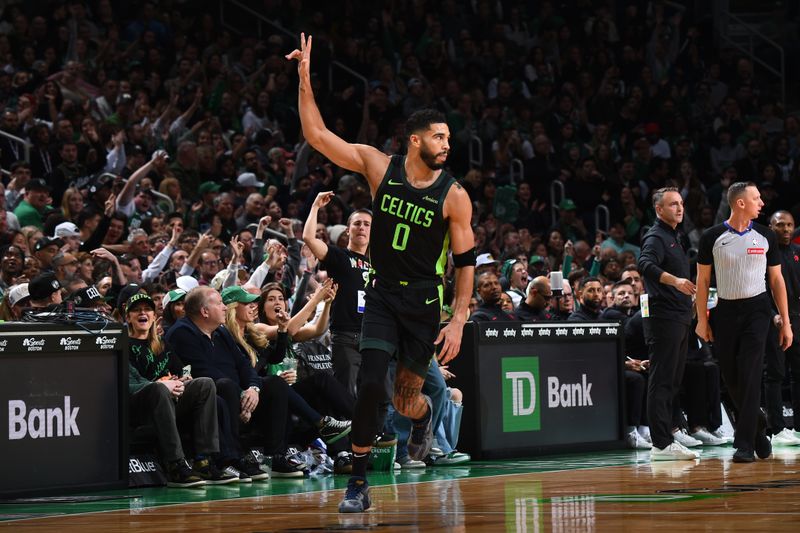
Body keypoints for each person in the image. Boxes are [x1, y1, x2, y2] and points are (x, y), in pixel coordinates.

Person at [288, 34, 475, 513]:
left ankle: (424, 415)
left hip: (425, 302)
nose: (446, 144)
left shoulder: (454, 196)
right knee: (370, 386)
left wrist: (457, 319)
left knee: (405, 398)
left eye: (449, 138)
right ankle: (357, 482)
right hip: (384, 293)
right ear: (415, 139)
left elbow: (466, 263)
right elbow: (319, 137)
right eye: (439, 136)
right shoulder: (379, 166)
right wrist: (305, 78)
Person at [696, 182, 793, 463]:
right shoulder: (712, 237)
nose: (761, 202)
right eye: (756, 198)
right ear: (740, 203)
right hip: (725, 311)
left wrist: (785, 322)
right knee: (732, 378)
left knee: (750, 373)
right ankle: (759, 431)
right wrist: (702, 320)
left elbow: (776, 281)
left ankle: (744, 444)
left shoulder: (765, 236)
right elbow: (702, 281)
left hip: (758, 311)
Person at [165, 286, 305, 477]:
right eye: (219, 303)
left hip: (236, 395)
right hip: (203, 398)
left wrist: (253, 389)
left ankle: (276, 457)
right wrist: (243, 395)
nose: (224, 307)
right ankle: (233, 458)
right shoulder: (181, 332)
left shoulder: (221, 332)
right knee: (225, 385)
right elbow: (205, 372)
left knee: (275, 384)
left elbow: (244, 366)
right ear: (205, 311)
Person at [125, 292, 236, 487]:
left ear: (154, 316)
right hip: (139, 407)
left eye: (147, 309)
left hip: (169, 400)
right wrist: (161, 384)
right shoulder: (123, 345)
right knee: (159, 390)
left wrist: (184, 378)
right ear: (128, 318)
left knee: (204, 383)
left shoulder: (161, 344)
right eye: (136, 310)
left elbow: (184, 367)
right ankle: (175, 464)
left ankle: (204, 460)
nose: (142, 313)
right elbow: (129, 383)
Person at [638, 187, 699, 461]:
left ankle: (668, 436)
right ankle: (661, 444)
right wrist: (675, 281)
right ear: (658, 209)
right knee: (662, 380)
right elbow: (645, 264)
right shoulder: (655, 236)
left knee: (673, 381)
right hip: (663, 317)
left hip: (679, 315)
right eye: (673, 204)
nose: (679, 208)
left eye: (681, 203)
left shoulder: (675, 236)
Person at [302, 194, 372, 398]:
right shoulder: (339, 256)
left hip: (373, 338)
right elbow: (308, 238)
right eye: (357, 223)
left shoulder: (378, 265)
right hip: (346, 337)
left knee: (376, 396)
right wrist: (315, 206)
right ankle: (348, 431)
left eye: (367, 224)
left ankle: (375, 431)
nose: (362, 227)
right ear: (348, 229)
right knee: (347, 397)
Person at [764, 211, 800, 445]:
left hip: (797, 320)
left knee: (798, 375)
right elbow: (761, 291)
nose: (786, 229)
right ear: (771, 227)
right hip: (773, 322)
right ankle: (776, 429)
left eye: (789, 225)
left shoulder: (797, 253)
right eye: (780, 225)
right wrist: (773, 315)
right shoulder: (764, 255)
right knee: (775, 374)